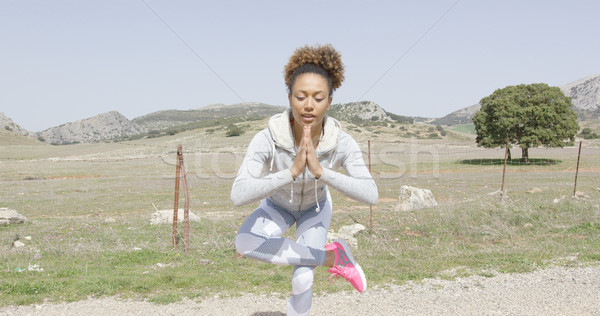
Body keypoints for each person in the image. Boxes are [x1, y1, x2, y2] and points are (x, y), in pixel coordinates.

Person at [231, 44, 378, 316]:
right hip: (277, 207)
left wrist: (323, 172)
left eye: (318, 98)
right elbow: (238, 194)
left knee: (303, 278)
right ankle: (334, 257)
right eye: (301, 96)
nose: (308, 105)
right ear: (289, 99)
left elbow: (371, 194)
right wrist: (290, 173)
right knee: (244, 242)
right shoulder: (267, 138)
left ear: (329, 102)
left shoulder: (341, 142)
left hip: (315, 209)